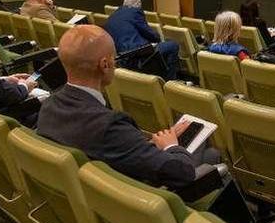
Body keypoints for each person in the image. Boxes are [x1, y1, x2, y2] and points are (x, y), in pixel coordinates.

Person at [37, 25, 216, 190]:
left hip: (87, 194)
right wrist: (171, 146)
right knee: (210, 154)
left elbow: (111, 148)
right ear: (105, 65)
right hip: (131, 198)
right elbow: (181, 173)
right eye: (114, 59)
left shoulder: (49, 106)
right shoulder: (109, 125)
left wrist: (151, 144)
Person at [104, 0, 180, 81]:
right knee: (172, 45)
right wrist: (158, 38)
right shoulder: (136, 12)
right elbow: (149, 34)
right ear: (138, 5)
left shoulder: (113, 16)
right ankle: (170, 81)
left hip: (120, 58)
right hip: (136, 55)